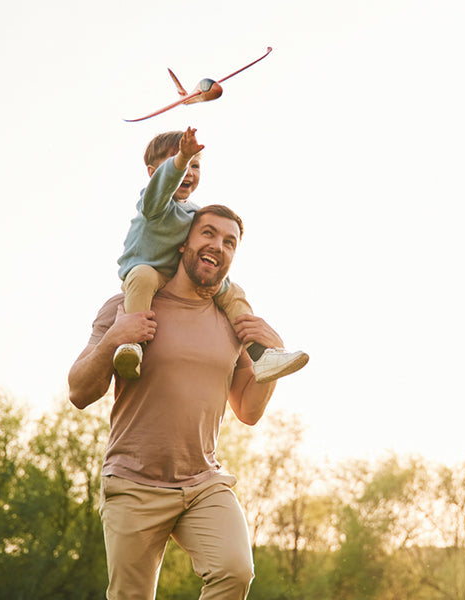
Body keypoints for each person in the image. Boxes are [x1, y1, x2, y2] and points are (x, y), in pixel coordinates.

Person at [69, 205, 290, 600]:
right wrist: (113, 339)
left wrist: (270, 363)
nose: (217, 246)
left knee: (234, 571)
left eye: (229, 242)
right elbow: (79, 392)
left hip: (202, 482)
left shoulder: (231, 322)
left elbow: (249, 411)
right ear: (185, 240)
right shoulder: (130, 303)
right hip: (134, 482)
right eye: (208, 234)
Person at [113, 126, 307, 383]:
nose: (188, 172)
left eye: (195, 166)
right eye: (180, 164)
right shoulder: (153, 203)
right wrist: (180, 160)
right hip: (146, 269)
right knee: (143, 276)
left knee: (232, 291)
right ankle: (132, 346)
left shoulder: (194, 211)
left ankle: (261, 355)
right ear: (152, 173)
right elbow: (162, 186)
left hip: (176, 271)